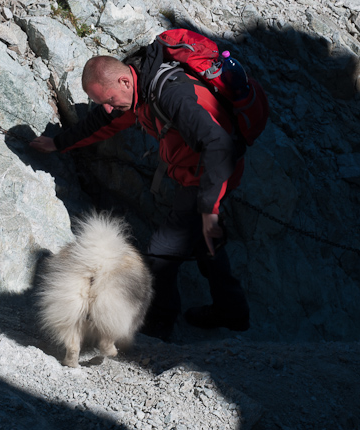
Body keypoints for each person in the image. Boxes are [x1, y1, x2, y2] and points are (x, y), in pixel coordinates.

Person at [29, 42, 251, 340]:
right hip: (198, 171)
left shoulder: (170, 94)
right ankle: (232, 310)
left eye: (108, 99)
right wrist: (58, 143)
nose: (108, 107)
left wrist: (209, 209)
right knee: (202, 240)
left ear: (123, 80)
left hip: (211, 173)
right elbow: (101, 122)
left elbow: (218, 145)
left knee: (161, 252)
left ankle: (156, 330)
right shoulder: (136, 91)